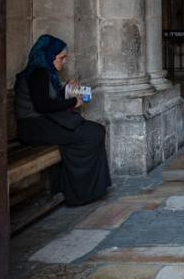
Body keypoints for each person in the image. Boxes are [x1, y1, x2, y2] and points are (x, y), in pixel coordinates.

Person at [14, 34, 111, 206]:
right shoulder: (37, 73)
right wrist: (74, 101)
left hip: (43, 123)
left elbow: (48, 99)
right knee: (91, 134)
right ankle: (78, 191)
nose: (64, 62)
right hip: (33, 127)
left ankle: (84, 188)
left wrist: (67, 90)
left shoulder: (45, 73)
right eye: (61, 58)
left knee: (95, 130)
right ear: (49, 56)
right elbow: (42, 105)